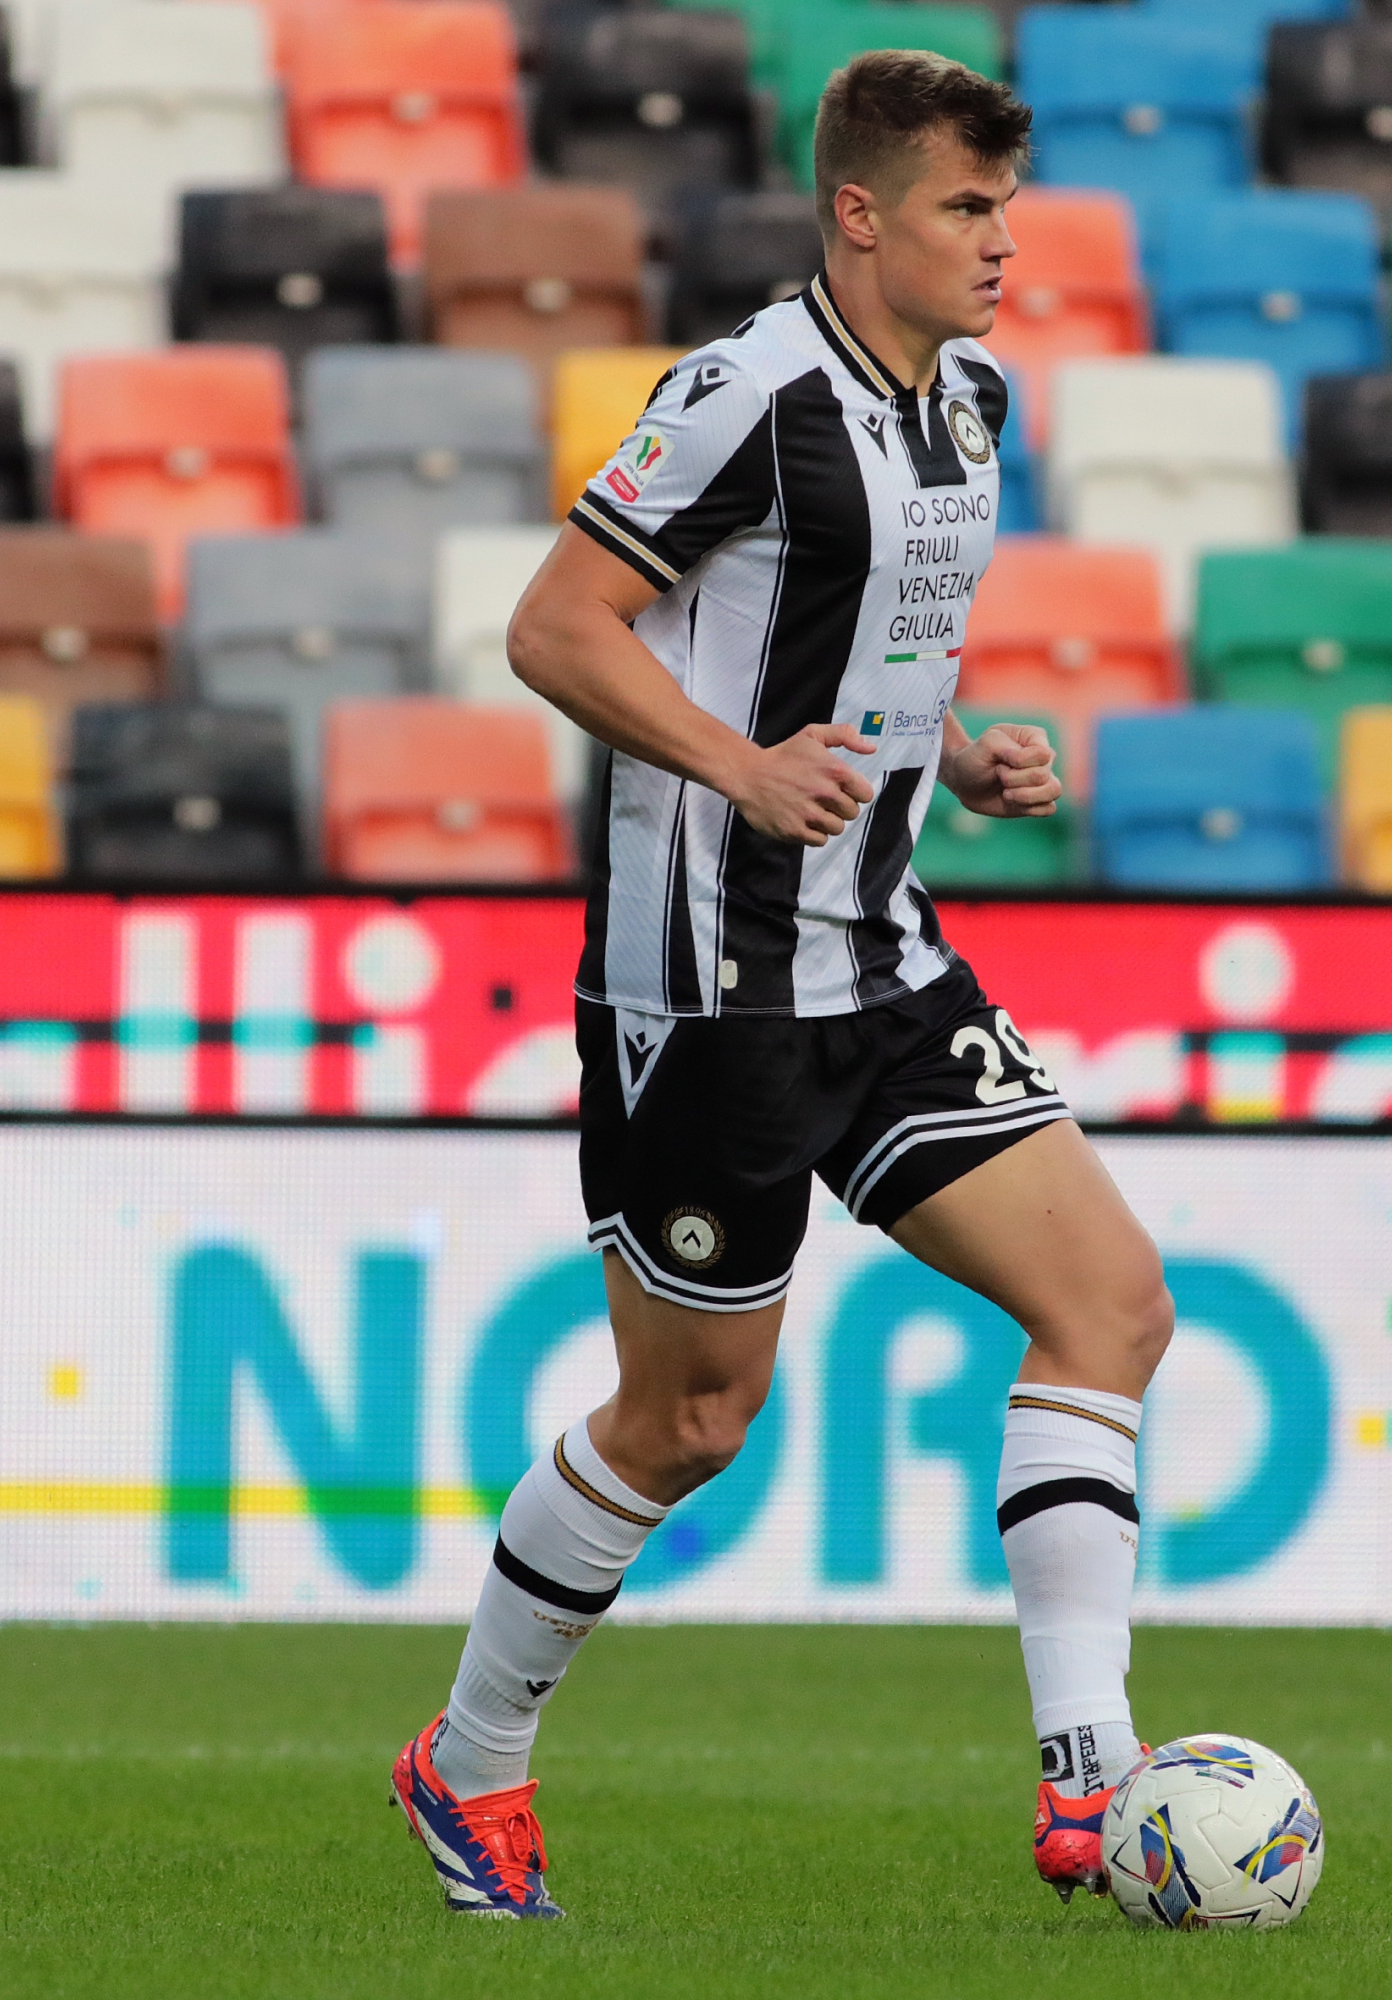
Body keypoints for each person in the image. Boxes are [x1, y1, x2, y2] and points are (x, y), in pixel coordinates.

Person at [389, 51, 1171, 1918]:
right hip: (711, 979)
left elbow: (865, 645)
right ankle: (469, 1759)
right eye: (966, 210)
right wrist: (738, 772)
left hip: (883, 957)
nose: (1001, 246)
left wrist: (954, 752)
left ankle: (1093, 1778)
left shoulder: (973, 400)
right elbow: (555, 624)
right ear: (859, 213)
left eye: (1006, 208)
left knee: (1114, 1309)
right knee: (687, 1423)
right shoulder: (742, 395)